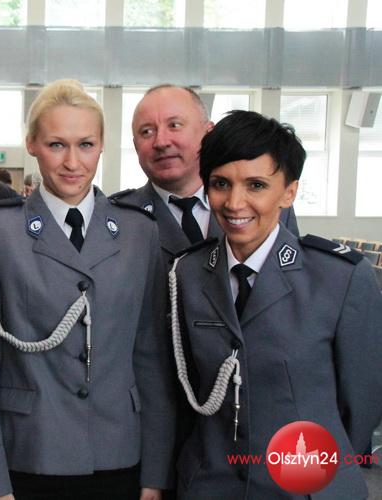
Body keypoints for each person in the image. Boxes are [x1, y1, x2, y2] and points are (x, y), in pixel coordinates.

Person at [0, 79, 176, 500]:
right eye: (56, 145)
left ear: (101, 147)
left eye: (85, 145)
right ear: (31, 144)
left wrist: (155, 473)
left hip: (118, 452)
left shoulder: (139, 232)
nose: (72, 162)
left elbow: (151, 357)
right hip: (28, 452)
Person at [169, 110, 382, 498]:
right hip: (210, 483)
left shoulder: (339, 278)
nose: (235, 203)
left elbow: (361, 404)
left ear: (289, 192)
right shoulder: (188, 273)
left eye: (256, 185)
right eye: (220, 184)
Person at [112, 84, 299, 265]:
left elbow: (290, 275)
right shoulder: (116, 217)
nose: (161, 142)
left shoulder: (272, 204)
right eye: (146, 132)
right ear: (135, 145)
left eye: (174, 125)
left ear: (208, 132)